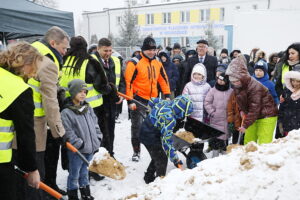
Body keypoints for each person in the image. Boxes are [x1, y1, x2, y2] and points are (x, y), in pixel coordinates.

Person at [59, 36, 113, 181]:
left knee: (73, 141)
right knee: (92, 141)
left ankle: (73, 169)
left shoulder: (63, 60)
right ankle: (93, 170)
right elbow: (101, 85)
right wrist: (110, 89)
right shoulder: (90, 62)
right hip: (91, 109)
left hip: (67, 109)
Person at [29, 26, 68, 198]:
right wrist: (59, 131)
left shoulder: (32, 51)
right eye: (64, 48)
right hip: (36, 122)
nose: (65, 52)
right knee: (36, 168)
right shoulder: (48, 62)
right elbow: (49, 100)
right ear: (53, 43)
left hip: (20, 120)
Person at [0, 42, 41, 200]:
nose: (34, 74)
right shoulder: (19, 90)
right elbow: (26, 135)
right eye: (34, 67)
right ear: (26, 63)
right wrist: (32, 169)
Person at [125, 36, 171, 162]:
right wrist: (129, 101)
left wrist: (167, 95)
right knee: (137, 127)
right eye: (148, 50)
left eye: (153, 49)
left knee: (154, 125)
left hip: (153, 100)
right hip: (138, 99)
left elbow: (163, 79)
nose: (151, 52)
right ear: (143, 50)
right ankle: (136, 151)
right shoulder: (134, 62)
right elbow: (128, 82)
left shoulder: (157, 62)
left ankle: (156, 149)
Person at [61, 79, 101, 200]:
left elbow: (95, 124)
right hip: (77, 150)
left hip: (90, 148)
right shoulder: (66, 112)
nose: (83, 94)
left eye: (85, 91)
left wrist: (98, 138)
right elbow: (67, 132)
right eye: (80, 91)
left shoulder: (88, 108)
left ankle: (85, 193)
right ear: (73, 92)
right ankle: (72, 195)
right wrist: (79, 144)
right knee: (74, 174)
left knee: (85, 172)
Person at [225, 54, 278, 145]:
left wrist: (245, 125)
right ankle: (248, 158)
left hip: (266, 115)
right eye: (232, 81)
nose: (235, 83)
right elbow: (241, 101)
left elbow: (254, 109)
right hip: (252, 115)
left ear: (243, 76)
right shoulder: (239, 86)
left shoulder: (254, 87)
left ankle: (262, 159)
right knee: (249, 141)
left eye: (237, 80)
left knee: (263, 143)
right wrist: (242, 110)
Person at [140, 95, 193, 184]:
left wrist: (153, 111)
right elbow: (167, 142)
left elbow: (152, 101)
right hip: (149, 136)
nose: (183, 116)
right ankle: (158, 184)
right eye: (184, 113)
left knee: (157, 154)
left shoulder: (166, 102)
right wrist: (176, 160)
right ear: (180, 110)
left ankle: (148, 177)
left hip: (147, 129)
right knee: (162, 159)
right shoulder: (169, 119)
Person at [91, 38, 125, 157]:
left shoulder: (115, 61)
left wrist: (120, 93)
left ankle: (110, 154)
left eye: (110, 50)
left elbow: (121, 80)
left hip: (112, 102)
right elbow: (97, 83)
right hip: (98, 103)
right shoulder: (92, 61)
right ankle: (100, 158)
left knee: (110, 130)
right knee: (100, 133)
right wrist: (111, 91)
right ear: (98, 49)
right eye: (105, 51)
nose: (108, 53)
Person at [204, 72, 233, 157]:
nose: (220, 81)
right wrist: (212, 112)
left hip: (227, 119)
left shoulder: (231, 91)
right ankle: (215, 156)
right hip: (215, 119)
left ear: (227, 81)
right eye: (219, 79)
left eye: (222, 80)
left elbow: (234, 103)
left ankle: (224, 156)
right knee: (216, 138)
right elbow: (207, 102)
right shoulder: (213, 90)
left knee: (225, 138)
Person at [278, 64, 300, 137]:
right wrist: (280, 123)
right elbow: (282, 108)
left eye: (298, 81)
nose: (295, 83)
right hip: (287, 126)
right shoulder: (287, 91)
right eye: (293, 81)